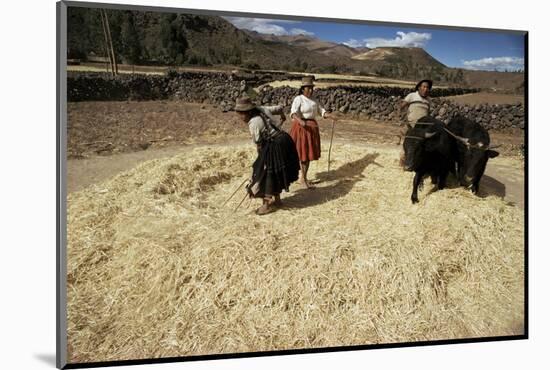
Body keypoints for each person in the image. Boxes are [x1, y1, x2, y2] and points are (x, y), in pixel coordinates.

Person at [234, 96, 300, 215]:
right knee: (276, 172)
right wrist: (282, 115)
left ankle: (266, 205)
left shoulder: (254, 123)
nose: (240, 117)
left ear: (248, 112)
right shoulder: (262, 109)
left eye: (241, 114)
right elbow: (279, 108)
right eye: (239, 113)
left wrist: (261, 161)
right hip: (285, 140)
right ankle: (278, 201)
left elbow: (259, 145)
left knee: (266, 173)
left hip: (275, 145)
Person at [289, 76, 335, 188]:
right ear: (302, 89)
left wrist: (331, 116)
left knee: (307, 155)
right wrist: (300, 121)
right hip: (300, 129)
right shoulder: (298, 99)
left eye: (311, 88)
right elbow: (293, 113)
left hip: (311, 128)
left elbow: (322, 111)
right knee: (301, 154)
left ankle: (303, 178)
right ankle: (301, 179)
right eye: (307, 88)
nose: (310, 90)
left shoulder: (314, 100)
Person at [398, 79, 433, 167]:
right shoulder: (412, 96)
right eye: (424, 87)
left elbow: (428, 113)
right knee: (406, 144)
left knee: (418, 146)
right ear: (419, 88)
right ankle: (403, 161)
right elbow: (402, 107)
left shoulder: (429, 100)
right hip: (410, 125)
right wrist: (403, 114)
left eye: (427, 87)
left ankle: (416, 162)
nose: (426, 89)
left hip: (421, 129)